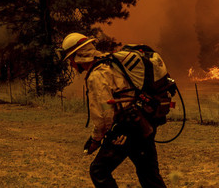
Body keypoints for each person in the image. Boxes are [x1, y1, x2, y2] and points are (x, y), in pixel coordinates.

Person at [60, 33, 166, 188]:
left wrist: (96, 139)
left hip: (128, 127)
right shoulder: (110, 63)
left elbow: (104, 115)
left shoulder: (97, 75)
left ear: (79, 56)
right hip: (143, 121)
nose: (71, 64)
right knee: (149, 174)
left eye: (70, 59)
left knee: (99, 170)